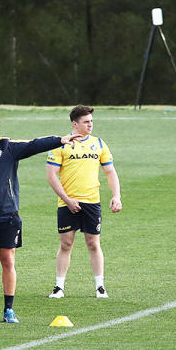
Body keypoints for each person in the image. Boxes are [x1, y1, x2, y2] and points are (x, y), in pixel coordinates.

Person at [0, 116, 82, 323]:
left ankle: (9, 310)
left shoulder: (7, 148)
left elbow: (33, 145)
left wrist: (60, 140)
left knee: (8, 260)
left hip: (8, 216)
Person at [47, 105, 121, 299]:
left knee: (93, 243)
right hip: (67, 202)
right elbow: (51, 175)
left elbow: (110, 171)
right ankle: (59, 286)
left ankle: (100, 286)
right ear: (74, 124)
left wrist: (116, 195)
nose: (90, 125)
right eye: (86, 122)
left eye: (91, 121)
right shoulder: (61, 145)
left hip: (91, 202)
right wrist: (67, 199)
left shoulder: (99, 143)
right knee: (65, 244)